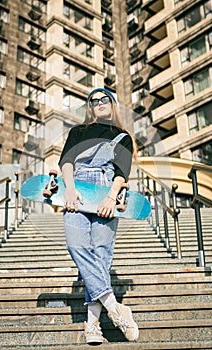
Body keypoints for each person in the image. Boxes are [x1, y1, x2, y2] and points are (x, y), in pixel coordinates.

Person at [58, 87, 139, 345]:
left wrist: (111, 196)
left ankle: (92, 324)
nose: (100, 103)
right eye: (94, 101)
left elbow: (121, 171)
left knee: (101, 253)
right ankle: (114, 306)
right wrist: (69, 188)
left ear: (112, 104)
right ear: (90, 107)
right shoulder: (78, 132)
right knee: (77, 245)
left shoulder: (122, 136)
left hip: (106, 192)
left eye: (105, 99)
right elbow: (67, 160)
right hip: (77, 192)